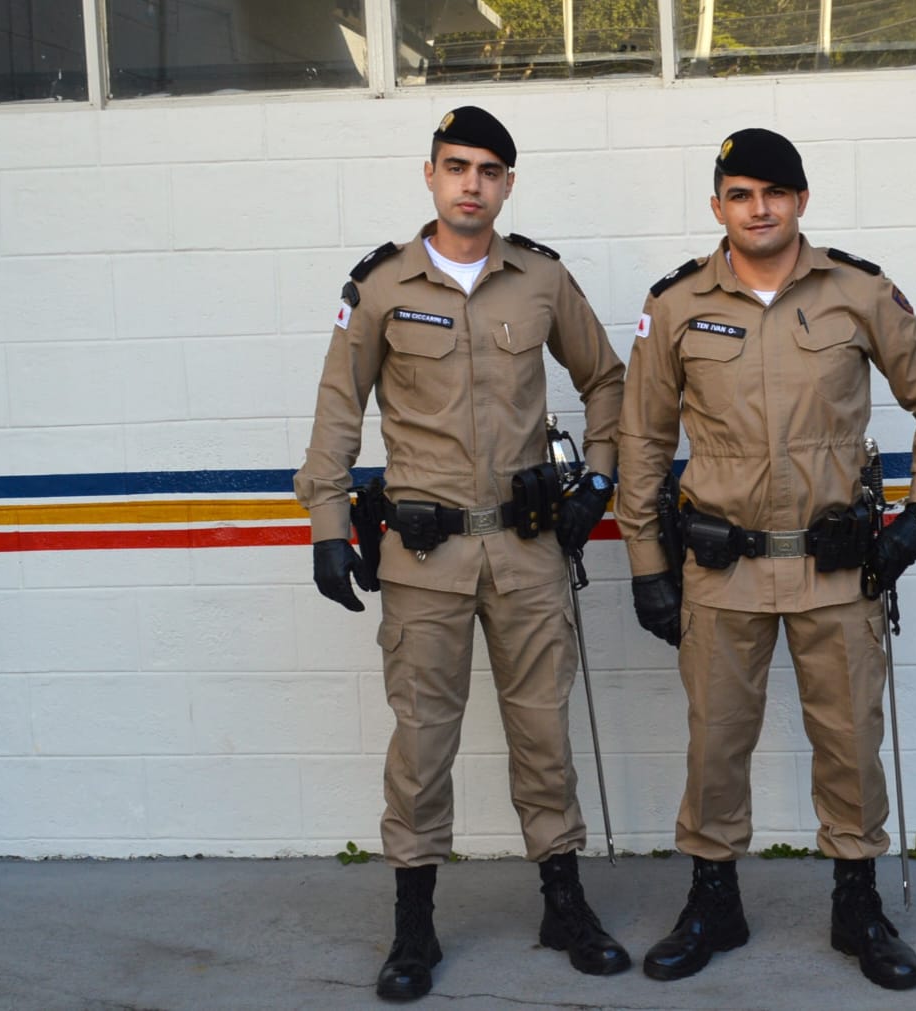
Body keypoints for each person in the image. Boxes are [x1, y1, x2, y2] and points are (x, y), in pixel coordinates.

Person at [614, 127, 916, 991]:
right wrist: (648, 565)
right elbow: (642, 441)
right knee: (715, 744)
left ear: (802, 199)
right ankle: (713, 902)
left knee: (849, 741)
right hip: (721, 570)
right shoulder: (676, 306)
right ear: (718, 206)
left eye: (775, 191)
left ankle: (857, 905)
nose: (759, 208)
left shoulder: (857, 292)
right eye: (740, 193)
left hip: (836, 568)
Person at [293, 106, 630, 1002]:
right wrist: (327, 524)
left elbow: (607, 380)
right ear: (431, 175)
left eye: (487, 169)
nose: (470, 184)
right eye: (455, 166)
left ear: (508, 183)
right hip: (424, 558)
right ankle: (414, 925)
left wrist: (598, 479)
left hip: (527, 551)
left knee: (544, 733)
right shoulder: (379, 286)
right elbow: (337, 408)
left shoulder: (541, 280)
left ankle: (564, 905)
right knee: (421, 743)